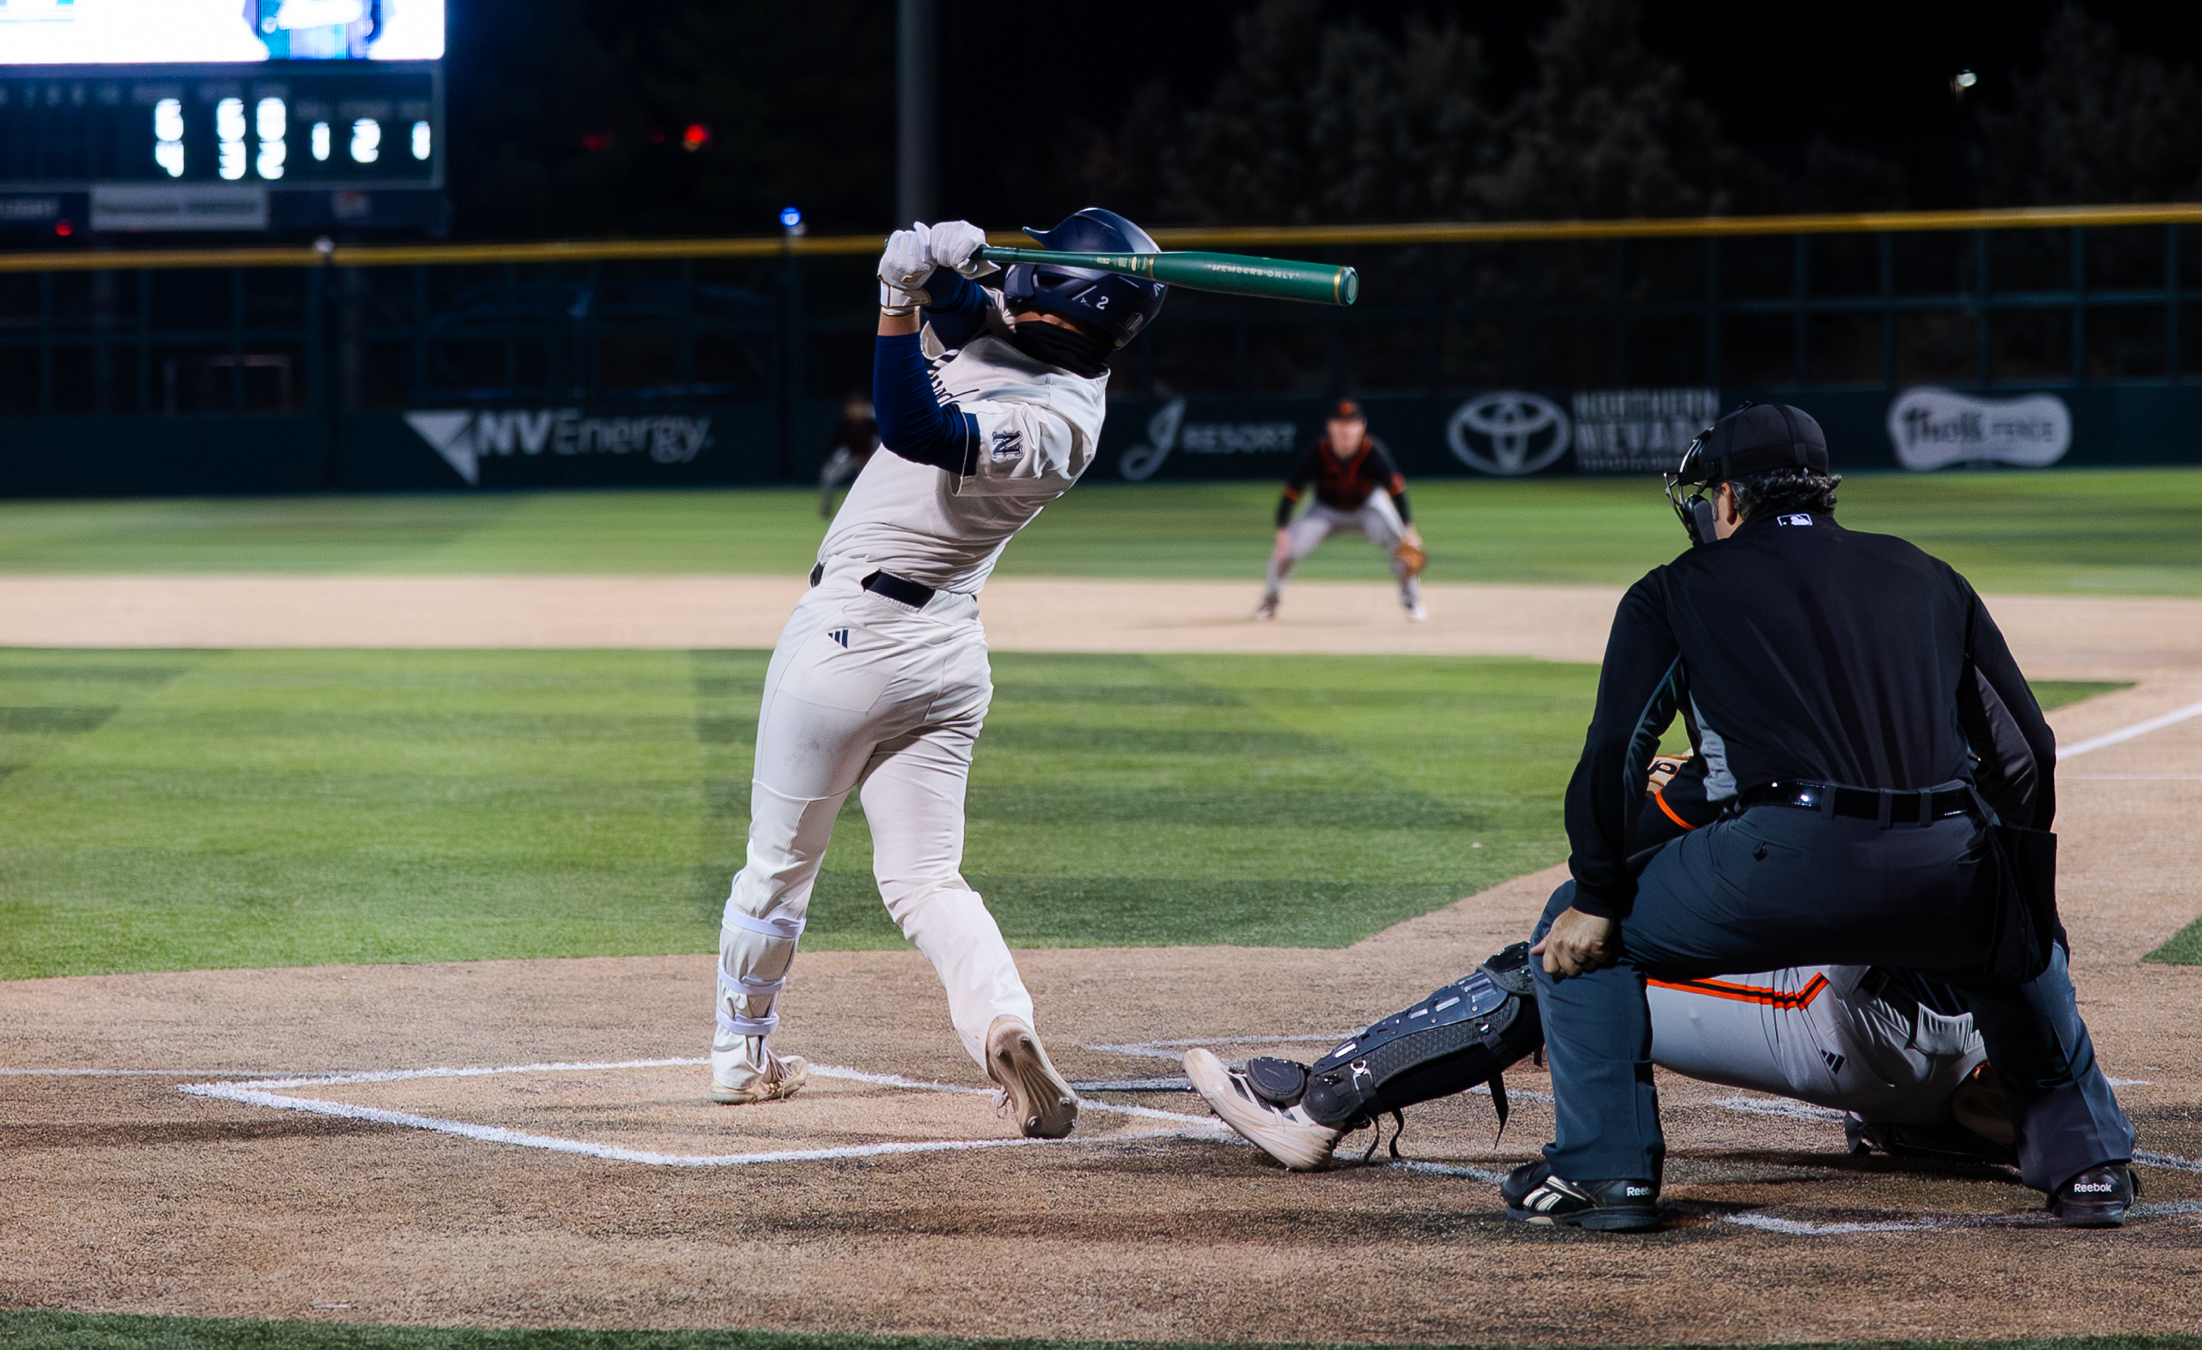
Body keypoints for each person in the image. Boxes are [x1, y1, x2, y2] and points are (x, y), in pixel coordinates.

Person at [1516, 402, 2135, 1231]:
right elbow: (2027, 750)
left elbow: (1616, 753)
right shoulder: (1927, 572)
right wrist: (2010, 884)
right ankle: (2088, 1167)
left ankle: (1607, 1178)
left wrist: (1595, 889)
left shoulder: (1676, 588)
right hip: (1944, 859)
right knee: (2014, 942)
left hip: (1778, 860)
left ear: (1728, 497)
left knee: (1576, 928)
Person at [708, 209, 1168, 1140]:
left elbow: (912, 423)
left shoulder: (1054, 423)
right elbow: (970, 320)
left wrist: (891, 297)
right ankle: (1005, 1025)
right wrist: (941, 277)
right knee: (926, 880)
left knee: (776, 870)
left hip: (846, 641)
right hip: (946, 656)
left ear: (1065, 291)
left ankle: (739, 1055)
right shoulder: (1069, 368)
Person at [1182, 756, 2012, 1175]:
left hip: (1847, 1028)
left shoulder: (1843, 733)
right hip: (1968, 1046)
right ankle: (1924, 1126)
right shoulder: (1940, 740)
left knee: (1562, 959)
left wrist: (1689, 818)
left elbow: (1786, 890)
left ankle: (1320, 1102)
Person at [1254, 399, 1426, 621]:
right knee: (1287, 550)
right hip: (1324, 510)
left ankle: (1413, 601)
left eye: (1351, 423)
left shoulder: (1373, 451)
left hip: (1367, 508)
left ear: (1362, 426)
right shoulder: (1318, 452)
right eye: (1340, 423)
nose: (1345, 429)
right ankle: (1269, 602)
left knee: (1401, 543)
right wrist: (1282, 530)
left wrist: (1408, 528)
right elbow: (1291, 492)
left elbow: (1397, 491)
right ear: (1330, 427)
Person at [818, 392, 878, 518]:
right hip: (850, 455)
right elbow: (836, 443)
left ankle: (868, 510)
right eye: (852, 407)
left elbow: (877, 444)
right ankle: (826, 510)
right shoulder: (845, 422)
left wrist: (868, 459)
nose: (855, 410)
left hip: (870, 457)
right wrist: (833, 459)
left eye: (858, 406)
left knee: (867, 484)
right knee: (828, 475)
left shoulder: (872, 423)